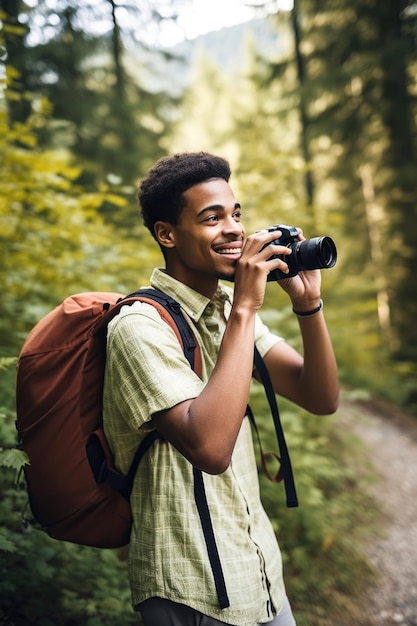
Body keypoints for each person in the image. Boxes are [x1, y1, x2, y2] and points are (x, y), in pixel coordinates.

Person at [103, 152, 339, 626]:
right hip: (190, 587)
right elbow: (210, 448)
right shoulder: (139, 327)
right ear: (167, 234)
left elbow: (319, 397)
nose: (234, 229)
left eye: (236, 214)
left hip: (259, 570)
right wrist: (247, 309)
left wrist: (309, 307)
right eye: (212, 218)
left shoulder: (229, 311)